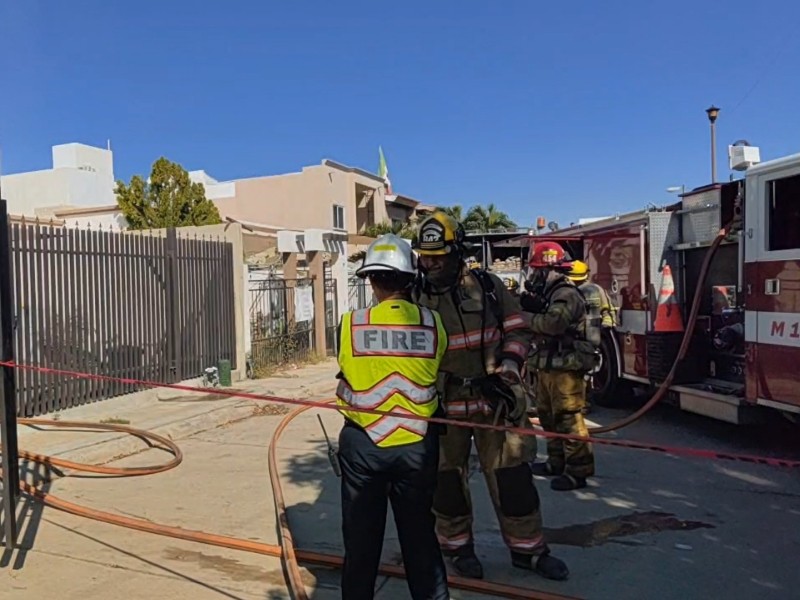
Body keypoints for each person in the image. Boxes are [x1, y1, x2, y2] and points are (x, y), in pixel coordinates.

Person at [412, 211, 569, 582]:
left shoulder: (487, 287)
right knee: (446, 483)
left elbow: (517, 330)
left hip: (495, 402)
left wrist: (511, 365)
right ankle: (458, 548)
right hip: (444, 406)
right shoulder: (413, 297)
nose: (430, 264)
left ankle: (528, 550)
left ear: (457, 253)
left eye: (438, 256)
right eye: (424, 256)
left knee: (514, 479)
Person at [335, 234, 450, 600]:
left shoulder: (350, 324)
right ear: (411, 278)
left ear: (372, 280)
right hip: (417, 443)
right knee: (420, 539)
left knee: (361, 541)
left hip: (363, 444)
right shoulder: (433, 323)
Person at [521, 242, 596, 492]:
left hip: (567, 367)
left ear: (551, 270)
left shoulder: (566, 294)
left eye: (537, 271)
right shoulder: (550, 295)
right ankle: (556, 463)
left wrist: (525, 318)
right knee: (547, 415)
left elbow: (554, 325)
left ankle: (578, 471)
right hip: (550, 365)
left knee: (568, 418)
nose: (534, 277)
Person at [566, 260, 617, 328]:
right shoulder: (597, 289)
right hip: (593, 334)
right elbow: (608, 312)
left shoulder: (566, 291)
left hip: (578, 334)